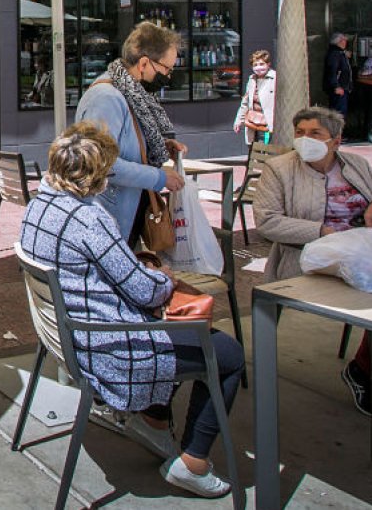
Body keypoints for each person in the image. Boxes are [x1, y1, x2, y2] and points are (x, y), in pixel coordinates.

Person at [20, 121, 244, 498]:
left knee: (177, 329)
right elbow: (145, 293)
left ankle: (154, 420)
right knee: (228, 354)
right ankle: (192, 462)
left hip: (68, 338)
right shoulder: (90, 220)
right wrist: (165, 278)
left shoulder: (37, 207)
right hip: (109, 349)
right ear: (97, 174)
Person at [252, 106, 372, 421]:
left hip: (365, 257)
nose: (305, 139)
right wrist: (322, 232)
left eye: (315, 133)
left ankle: (366, 370)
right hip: (311, 262)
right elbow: (267, 223)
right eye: (300, 133)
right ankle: (370, 371)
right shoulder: (280, 169)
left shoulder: (358, 165)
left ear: (336, 141)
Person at [76, 21, 187, 248]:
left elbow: (124, 140)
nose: (168, 75)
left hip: (124, 211)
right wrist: (159, 177)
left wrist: (159, 145)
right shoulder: (107, 97)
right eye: (166, 69)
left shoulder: (130, 93)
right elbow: (101, 163)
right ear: (144, 63)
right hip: (109, 216)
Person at [232, 50, 276, 145]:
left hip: (269, 123)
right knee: (253, 149)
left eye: (261, 64)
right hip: (253, 122)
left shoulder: (275, 78)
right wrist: (239, 120)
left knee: (266, 151)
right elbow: (245, 102)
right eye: (255, 65)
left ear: (268, 64)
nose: (258, 67)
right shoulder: (252, 79)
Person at [324, 32, 353, 116]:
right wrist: (336, 86)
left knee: (340, 111)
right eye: (344, 40)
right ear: (339, 42)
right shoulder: (335, 54)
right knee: (338, 113)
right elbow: (332, 71)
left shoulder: (340, 53)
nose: (346, 42)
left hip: (342, 87)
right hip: (339, 88)